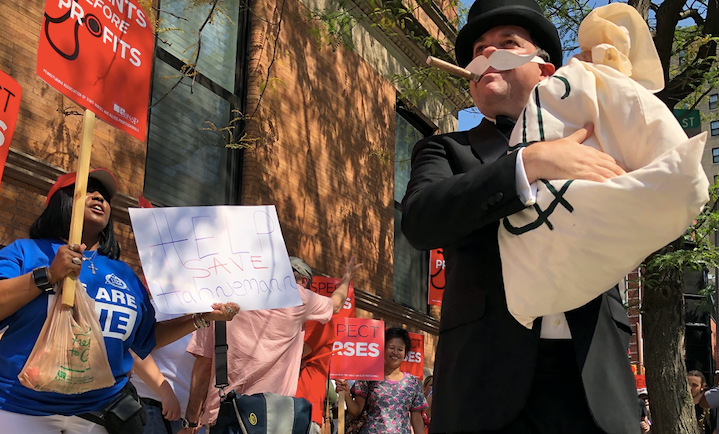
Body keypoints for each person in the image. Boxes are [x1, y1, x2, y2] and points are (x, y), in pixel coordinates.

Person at [400, 0, 638, 432]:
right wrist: (529, 163)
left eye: (507, 44)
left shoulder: (598, 139)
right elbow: (420, 219)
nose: (488, 55)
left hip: (593, 378)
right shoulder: (446, 151)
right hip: (485, 383)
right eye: (479, 50)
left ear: (546, 71)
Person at [0, 169, 237, 433]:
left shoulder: (124, 275)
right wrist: (49, 275)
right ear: (61, 200)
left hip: (98, 415)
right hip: (20, 409)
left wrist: (201, 318)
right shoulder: (26, 252)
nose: (99, 197)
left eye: (104, 196)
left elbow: (145, 338)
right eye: (88, 190)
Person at [182, 255, 361, 431]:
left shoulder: (219, 298)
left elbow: (203, 365)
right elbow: (336, 304)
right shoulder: (297, 298)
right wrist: (346, 279)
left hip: (223, 415)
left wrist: (190, 421)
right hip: (272, 416)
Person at [297, 258, 362, 434]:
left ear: (303, 282)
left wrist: (347, 279)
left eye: (287, 278)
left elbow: (294, 354)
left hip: (302, 409)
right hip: (273, 404)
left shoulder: (318, 320)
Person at [336, 327, 427, 434]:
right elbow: (356, 411)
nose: (395, 353)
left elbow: (416, 419)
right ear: (383, 349)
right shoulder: (369, 376)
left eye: (400, 349)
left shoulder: (412, 383)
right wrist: (346, 395)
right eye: (391, 347)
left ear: (405, 353)